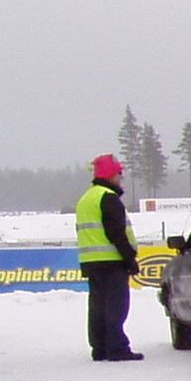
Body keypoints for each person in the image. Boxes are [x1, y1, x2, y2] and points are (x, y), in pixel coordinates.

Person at [75, 154, 140, 361]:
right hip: (112, 262)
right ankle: (117, 348)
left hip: (91, 262)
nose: (121, 178)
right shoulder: (108, 198)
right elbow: (116, 233)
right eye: (119, 174)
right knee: (116, 307)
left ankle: (100, 347)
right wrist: (130, 258)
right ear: (110, 175)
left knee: (98, 307)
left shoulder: (86, 198)